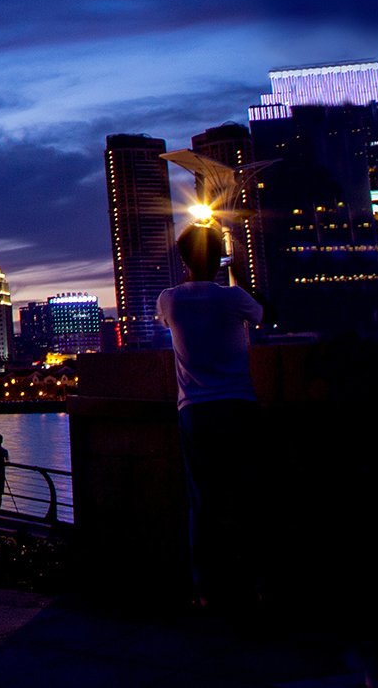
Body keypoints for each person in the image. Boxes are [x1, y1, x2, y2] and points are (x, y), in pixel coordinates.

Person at [157, 216, 263, 614]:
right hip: (238, 404)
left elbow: (165, 323)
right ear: (219, 259)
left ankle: (205, 588)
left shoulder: (170, 299)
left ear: (183, 258)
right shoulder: (232, 298)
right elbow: (261, 313)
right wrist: (237, 270)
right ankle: (255, 583)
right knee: (248, 495)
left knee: (203, 501)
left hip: (195, 412)